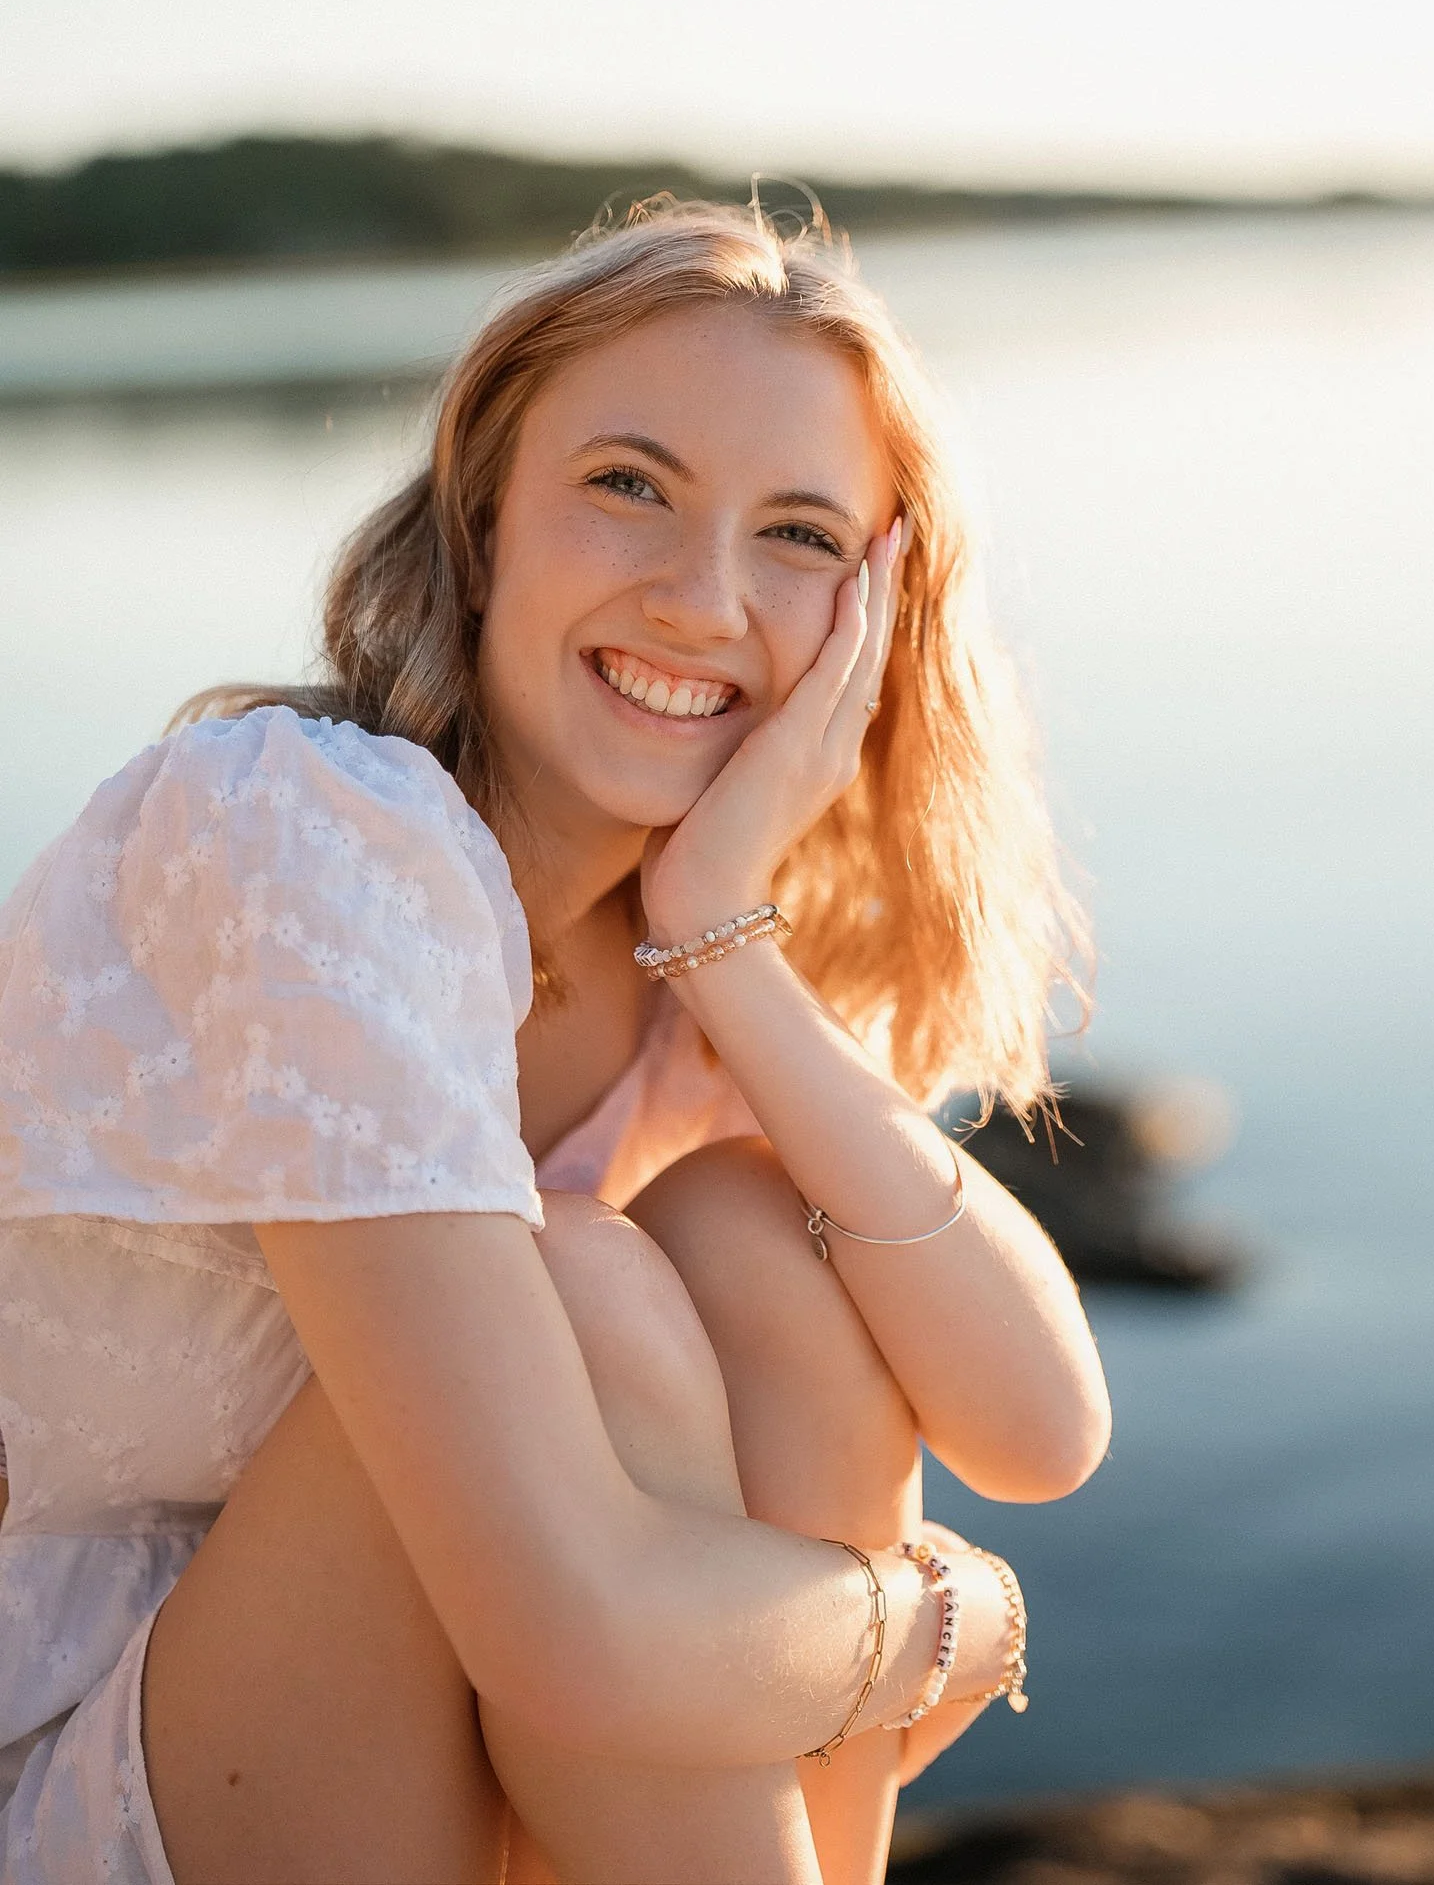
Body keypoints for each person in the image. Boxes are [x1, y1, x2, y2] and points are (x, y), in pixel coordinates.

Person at [0, 198, 1112, 1885]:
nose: (700, 597)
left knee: (748, 1224)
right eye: (628, 486)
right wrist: (955, 1617)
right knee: (583, 1288)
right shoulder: (306, 831)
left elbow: (1037, 1431)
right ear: (481, 519)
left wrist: (726, 930)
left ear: (877, 622)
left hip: (456, 1753)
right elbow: (579, 1643)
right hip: (81, 1758)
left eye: (801, 536)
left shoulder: (677, 967)